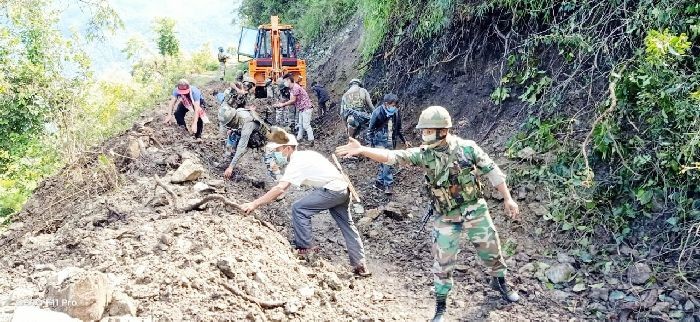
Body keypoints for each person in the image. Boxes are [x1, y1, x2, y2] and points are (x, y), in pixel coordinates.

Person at [336, 105, 521, 322]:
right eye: (423, 131)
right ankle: (441, 306)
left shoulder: (467, 148)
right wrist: (364, 150)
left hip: (474, 208)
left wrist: (508, 198)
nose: (424, 135)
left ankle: (500, 282)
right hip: (445, 215)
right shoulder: (424, 155)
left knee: (491, 248)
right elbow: (393, 156)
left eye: (428, 131)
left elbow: (492, 171)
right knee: (442, 260)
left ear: (443, 131)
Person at [240, 128, 371, 276]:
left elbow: (280, 189)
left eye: (278, 150)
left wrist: (254, 204)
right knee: (347, 226)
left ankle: (306, 249)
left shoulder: (296, 162)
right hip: (343, 189)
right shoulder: (307, 155)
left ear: (288, 148)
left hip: (333, 189)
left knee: (299, 208)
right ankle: (360, 265)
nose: (276, 153)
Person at [367, 93, 410, 195]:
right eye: (392, 105)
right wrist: (370, 145)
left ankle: (379, 182)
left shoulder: (396, 113)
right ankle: (388, 185)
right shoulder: (377, 112)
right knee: (387, 162)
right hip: (380, 142)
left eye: (395, 105)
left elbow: (399, 129)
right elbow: (370, 130)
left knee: (385, 162)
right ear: (386, 104)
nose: (394, 107)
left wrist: (404, 140)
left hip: (392, 142)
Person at [273, 73, 314, 146]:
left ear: (289, 80)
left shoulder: (295, 88)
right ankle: (299, 139)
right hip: (302, 109)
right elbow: (292, 100)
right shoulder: (291, 89)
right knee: (301, 125)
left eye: (285, 81)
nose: (284, 83)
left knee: (306, 125)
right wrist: (281, 104)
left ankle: (311, 140)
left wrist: (282, 104)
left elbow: (293, 100)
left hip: (306, 108)